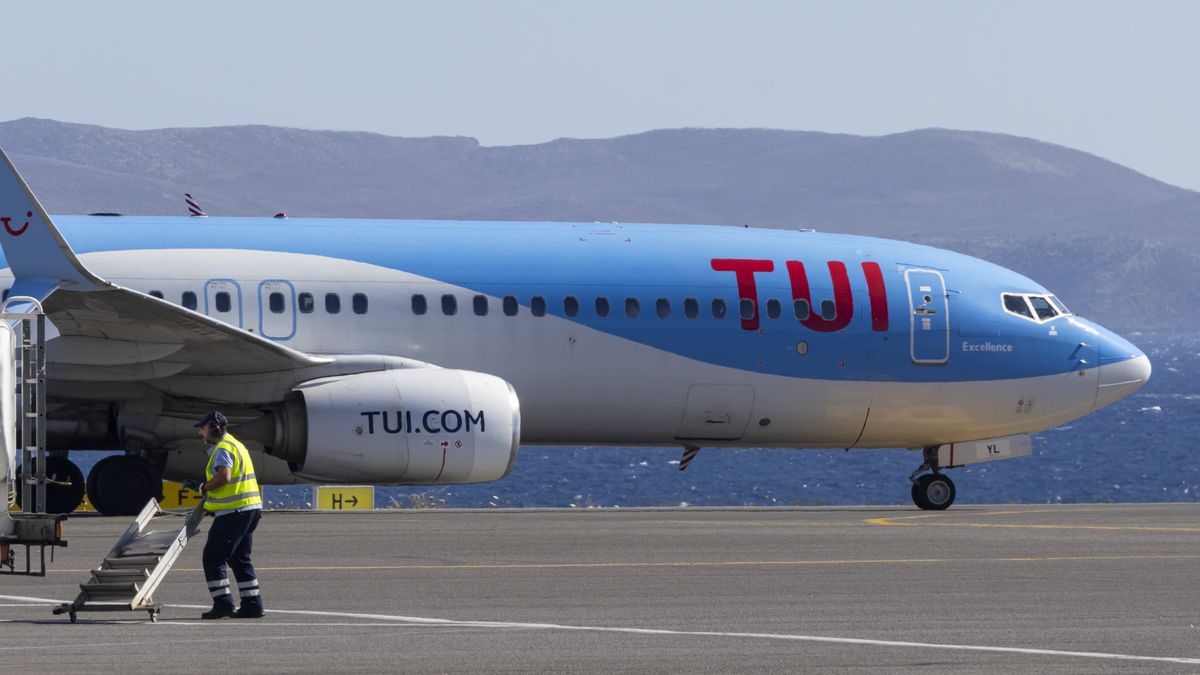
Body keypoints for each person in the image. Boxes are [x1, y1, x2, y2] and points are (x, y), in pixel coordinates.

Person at [187, 410, 266, 620]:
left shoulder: (222, 448)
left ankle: (223, 604)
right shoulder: (237, 445)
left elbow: (224, 477)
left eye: (203, 429)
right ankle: (252, 604)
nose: (201, 434)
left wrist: (203, 487)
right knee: (240, 558)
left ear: (214, 427)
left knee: (213, 558)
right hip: (250, 509)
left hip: (234, 512)